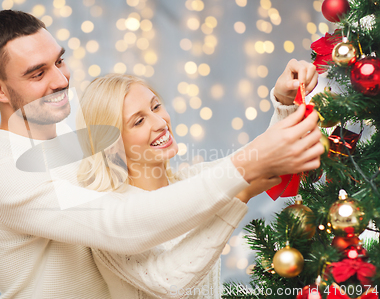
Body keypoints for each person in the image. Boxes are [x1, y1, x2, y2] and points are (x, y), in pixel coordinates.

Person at [0, 10, 323, 299]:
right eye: (37, 73)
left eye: (59, 61)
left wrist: (284, 107)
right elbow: (121, 224)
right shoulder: (3, 175)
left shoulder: (70, 125)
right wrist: (246, 170)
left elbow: (180, 181)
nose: (60, 80)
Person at [74, 74, 316, 299]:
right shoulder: (108, 217)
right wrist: (239, 197)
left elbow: (257, 156)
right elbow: (169, 282)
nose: (160, 122)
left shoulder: (193, 181)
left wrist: (285, 101)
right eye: (139, 121)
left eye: (156, 106)